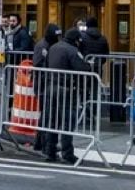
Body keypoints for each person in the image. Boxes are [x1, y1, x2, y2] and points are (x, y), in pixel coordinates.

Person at [43, 29, 93, 164]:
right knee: (67, 122)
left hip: (51, 87)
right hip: (66, 89)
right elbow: (82, 68)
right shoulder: (72, 51)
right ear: (76, 40)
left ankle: (50, 151)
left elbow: (46, 64)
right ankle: (67, 153)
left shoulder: (53, 48)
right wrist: (89, 65)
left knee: (51, 122)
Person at [32, 24, 61, 154]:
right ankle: (43, 143)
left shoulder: (52, 46)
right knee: (46, 114)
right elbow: (38, 63)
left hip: (48, 84)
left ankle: (40, 142)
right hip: (43, 84)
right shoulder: (42, 46)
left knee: (46, 114)